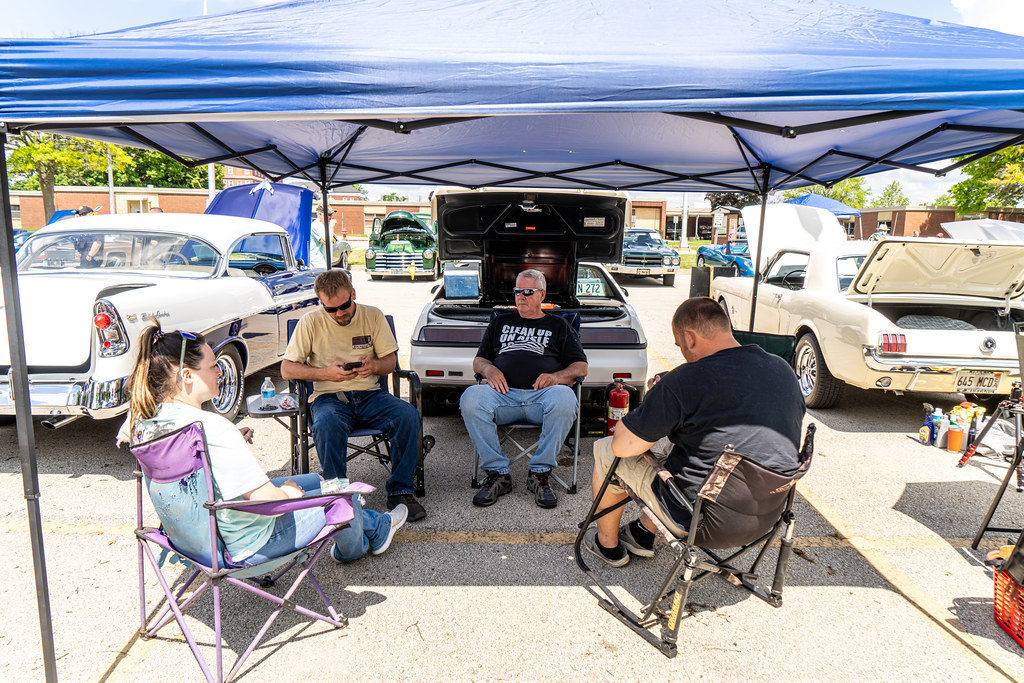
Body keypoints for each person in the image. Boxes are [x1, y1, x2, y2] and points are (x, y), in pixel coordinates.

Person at [122, 324, 407, 566]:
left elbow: (193, 458)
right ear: (187, 376)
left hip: (197, 539)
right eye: (213, 367)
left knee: (320, 481)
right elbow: (273, 503)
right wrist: (288, 493)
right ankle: (360, 543)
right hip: (248, 544)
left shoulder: (144, 423)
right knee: (340, 493)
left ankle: (370, 527)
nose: (220, 372)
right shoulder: (215, 429)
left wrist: (226, 444)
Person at [583, 297, 805, 567]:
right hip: (766, 515)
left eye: (679, 346)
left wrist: (657, 398)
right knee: (685, 446)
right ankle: (642, 533)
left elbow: (623, 447)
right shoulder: (782, 370)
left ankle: (607, 545)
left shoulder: (685, 380)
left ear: (689, 338)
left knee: (606, 450)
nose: (682, 353)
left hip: (701, 521)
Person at [280, 269, 426, 521]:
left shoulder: (372, 315)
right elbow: (287, 368)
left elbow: (390, 362)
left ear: (353, 294)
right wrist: (326, 373)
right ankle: (337, 496)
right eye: (331, 309)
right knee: (326, 423)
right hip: (329, 398)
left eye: (344, 306)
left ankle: (401, 490)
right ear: (321, 304)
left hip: (370, 395)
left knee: (407, 415)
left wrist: (373, 367)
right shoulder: (310, 322)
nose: (339, 313)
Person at [460, 269, 588, 509]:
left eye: (528, 291)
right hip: (502, 397)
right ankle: (497, 473)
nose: (521, 296)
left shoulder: (559, 326)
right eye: (518, 291)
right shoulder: (500, 322)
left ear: (542, 294)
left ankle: (539, 473)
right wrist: (489, 370)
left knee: (565, 397)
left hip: (542, 398)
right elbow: (479, 360)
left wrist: (557, 376)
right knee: (471, 398)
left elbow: (581, 367)